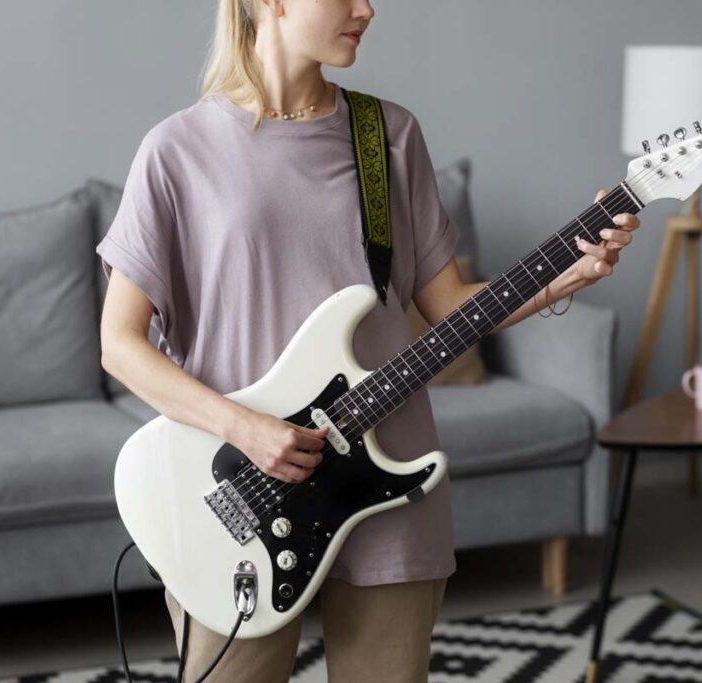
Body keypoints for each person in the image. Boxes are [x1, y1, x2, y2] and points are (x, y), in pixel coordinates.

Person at [96, 0, 640, 680]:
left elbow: (448, 308)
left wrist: (569, 275)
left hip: (388, 473)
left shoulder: (388, 136)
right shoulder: (177, 150)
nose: (368, 8)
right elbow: (119, 344)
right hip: (235, 493)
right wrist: (247, 428)